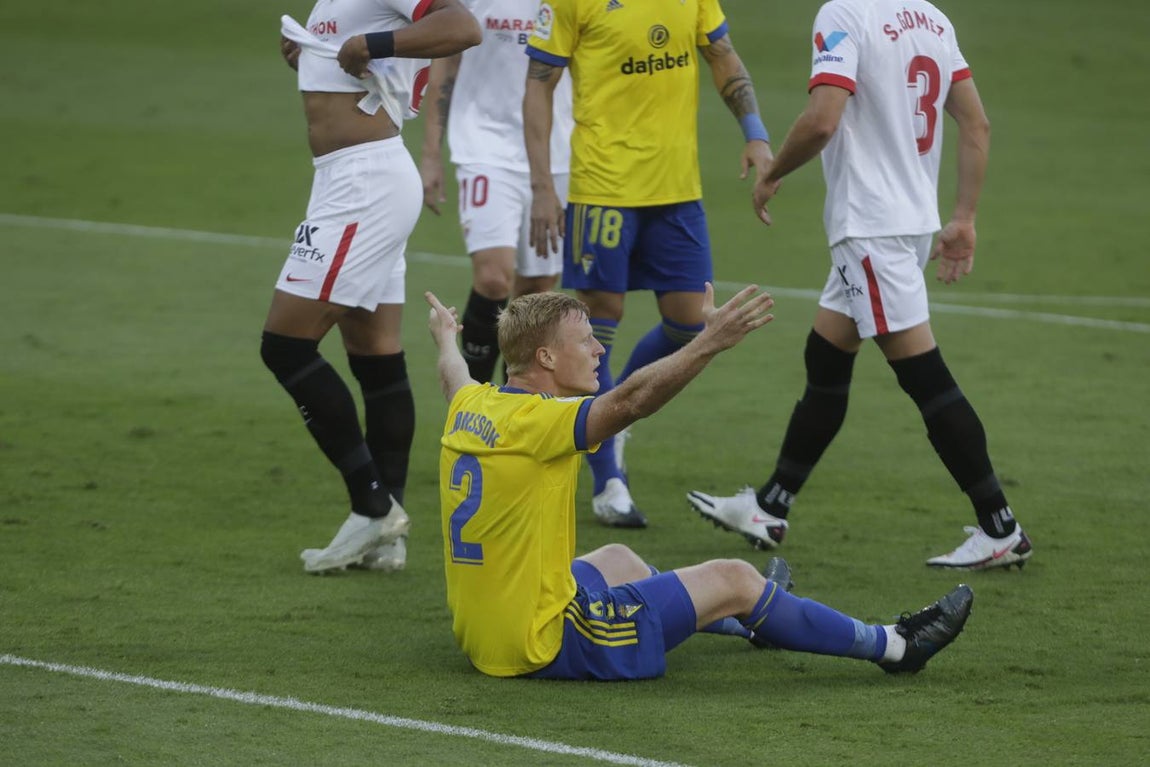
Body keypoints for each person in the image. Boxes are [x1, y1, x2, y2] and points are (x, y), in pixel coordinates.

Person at [425, 286, 974, 680]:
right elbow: (634, 399)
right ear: (544, 356)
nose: (598, 351)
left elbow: (454, 374)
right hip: (541, 642)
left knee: (620, 560)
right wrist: (708, 343)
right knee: (734, 575)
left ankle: (755, 621)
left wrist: (446, 337)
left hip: (483, 631)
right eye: (585, 341)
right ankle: (897, 645)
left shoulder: (473, 405)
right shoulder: (541, 422)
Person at [687, 0, 1032, 571]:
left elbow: (823, 118)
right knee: (826, 353)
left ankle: (1001, 527)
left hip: (870, 227)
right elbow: (976, 122)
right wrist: (964, 217)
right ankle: (771, 507)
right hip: (908, 222)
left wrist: (772, 173)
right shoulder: (932, 19)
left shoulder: (843, 15)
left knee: (926, 379)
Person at [522, 0, 773, 529]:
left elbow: (723, 54)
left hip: (677, 191)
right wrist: (544, 186)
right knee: (594, 330)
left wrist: (755, 132)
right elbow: (539, 85)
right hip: (603, 186)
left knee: (689, 321)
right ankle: (608, 479)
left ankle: (615, 414)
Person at [262, 0, 481, 574]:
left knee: (285, 346)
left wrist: (374, 47)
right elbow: (360, 71)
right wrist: (309, 60)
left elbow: (462, 25)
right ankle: (388, 534)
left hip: (362, 185)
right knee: (376, 359)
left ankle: (372, 506)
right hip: (356, 179)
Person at [419, 0, 575, 384]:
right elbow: (446, 63)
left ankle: (510, 409)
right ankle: (468, 401)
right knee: (493, 277)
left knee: (536, 293)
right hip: (484, 145)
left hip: (556, 153)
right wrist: (431, 154)